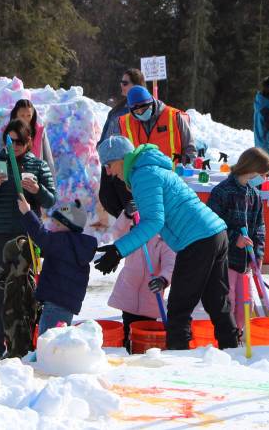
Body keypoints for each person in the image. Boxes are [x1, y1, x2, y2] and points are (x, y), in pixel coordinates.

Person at [95, 136, 237, 350]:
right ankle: (232, 349)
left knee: (179, 308)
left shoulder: (143, 174)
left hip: (197, 239)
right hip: (214, 233)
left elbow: (153, 221)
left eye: (108, 164)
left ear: (122, 159)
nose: (108, 172)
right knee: (216, 300)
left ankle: (178, 359)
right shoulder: (151, 169)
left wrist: (118, 250)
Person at [0, 119, 56, 358]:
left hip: (28, 232)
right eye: (10, 142)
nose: (15, 146)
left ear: (29, 141)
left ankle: (26, 339)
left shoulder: (38, 165)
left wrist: (37, 190)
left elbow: (51, 200)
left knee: (29, 286)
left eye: (20, 141)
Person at [207, 148, 269, 332]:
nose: (264, 179)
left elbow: (260, 227)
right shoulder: (222, 192)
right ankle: (227, 337)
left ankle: (240, 335)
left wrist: (259, 252)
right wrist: (235, 238)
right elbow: (212, 225)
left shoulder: (254, 194)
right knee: (228, 302)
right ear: (251, 169)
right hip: (225, 261)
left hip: (245, 263)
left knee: (245, 304)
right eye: (263, 174)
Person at [17, 195, 98, 336]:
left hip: (55, 304)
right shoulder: (75, 244)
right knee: (59, 339)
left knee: (49, 340)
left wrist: (27, 213)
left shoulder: (62, 241)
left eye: (56, 224)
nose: (52, 227)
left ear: (67, 226)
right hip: (66, 303)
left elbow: (41, 236)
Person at [107, 205, 175, 351]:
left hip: (150, 298)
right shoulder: (134, 235)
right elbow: (117, 234)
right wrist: (126, 215)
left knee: (145, 338)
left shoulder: (163, 241)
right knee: (127, 333)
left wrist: (163, 279)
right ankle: (126, 353)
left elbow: (171, 264)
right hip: (128, 294)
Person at [98, 69, 146, 219]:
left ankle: (132, 225)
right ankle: (125, 223)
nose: (121, 85)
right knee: (107, 198)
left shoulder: (140, 108)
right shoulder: (118, 108)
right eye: (121, 82)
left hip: (125, 160)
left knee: (127, 201)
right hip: (109, 159)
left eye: (125, 83)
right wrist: (100, 145)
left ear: (137, 85)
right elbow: (107, 129)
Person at [118, 85, 195, 166]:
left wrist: (186, 168)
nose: (141, 113)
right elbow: (121, 156)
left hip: (173, 172)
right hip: (141, 173)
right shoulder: (125, 123)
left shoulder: (175, 117)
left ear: (151, 102)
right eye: (136, 111)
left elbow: (190, 150)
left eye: (144, 109)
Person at [9, 99, 55, 173]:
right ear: (16, 115)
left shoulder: (40, 132)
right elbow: (2, 157)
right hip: (13, 175)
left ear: (33, 115)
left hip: (36, 176)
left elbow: (48, 158)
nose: (25, 119)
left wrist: (51, 178)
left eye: (29, 115)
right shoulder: (9, 132)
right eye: (22, 115)